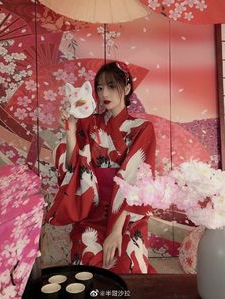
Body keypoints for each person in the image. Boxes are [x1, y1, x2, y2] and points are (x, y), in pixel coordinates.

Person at [45, 61, 156, 273]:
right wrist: (70, 134)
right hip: (92, 210)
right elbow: (72, 168)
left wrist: (116, 231)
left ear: (127, 88)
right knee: (88, 267)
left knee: (127, 266)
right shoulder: (88, 124)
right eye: (99, 87)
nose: (104, 92)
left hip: (125, 216)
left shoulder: (142, 129)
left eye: (111, 86)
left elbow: (139, 182)